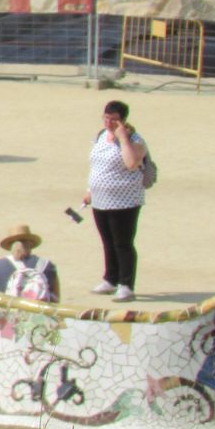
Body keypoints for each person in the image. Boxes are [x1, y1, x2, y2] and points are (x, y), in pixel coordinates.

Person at [84, 99, 149, 302]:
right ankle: (110, 279)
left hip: (124, 201)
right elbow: (96, 166)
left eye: (113, 120)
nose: (109, 123)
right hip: (100, 199)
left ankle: (126, 284)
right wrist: (90, 190)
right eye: (106, 118)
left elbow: (132, 163)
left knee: (123, 243)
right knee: (107, 241)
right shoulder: (100, 136)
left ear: (123, 120)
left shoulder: (135, 139)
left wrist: (123, 138)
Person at [0, 224, 59, 303]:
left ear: (10, 246)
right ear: (31, 244)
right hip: (39, 310)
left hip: (10, 310)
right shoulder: (47, 265)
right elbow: (56, 299)